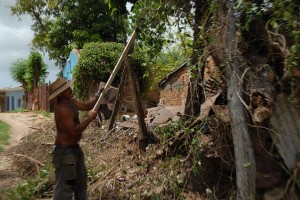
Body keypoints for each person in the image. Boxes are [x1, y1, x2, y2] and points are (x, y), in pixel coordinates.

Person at [49, 77, 99, 200]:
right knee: (63, 189)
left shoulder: (71, 101)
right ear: (60, 94)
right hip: (64, 153)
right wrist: (89, 118)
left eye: (69, 87)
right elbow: (74, 131)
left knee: (80, 185)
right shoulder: (62, 109)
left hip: (74, 150)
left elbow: (87, 106)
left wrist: (99, 96)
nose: (70, 90)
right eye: (67, 89)